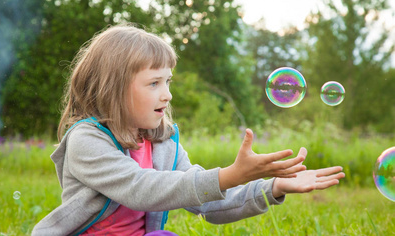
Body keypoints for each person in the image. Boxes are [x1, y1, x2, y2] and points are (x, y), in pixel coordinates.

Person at [32, 24, 345, 236]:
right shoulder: (87, 140)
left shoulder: (163, 145)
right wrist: (230, 174)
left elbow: (208, 201)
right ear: (112, 89)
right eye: (154, 83)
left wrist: (272, 187)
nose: (167, 94)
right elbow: (142, 188)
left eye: (168, 81)